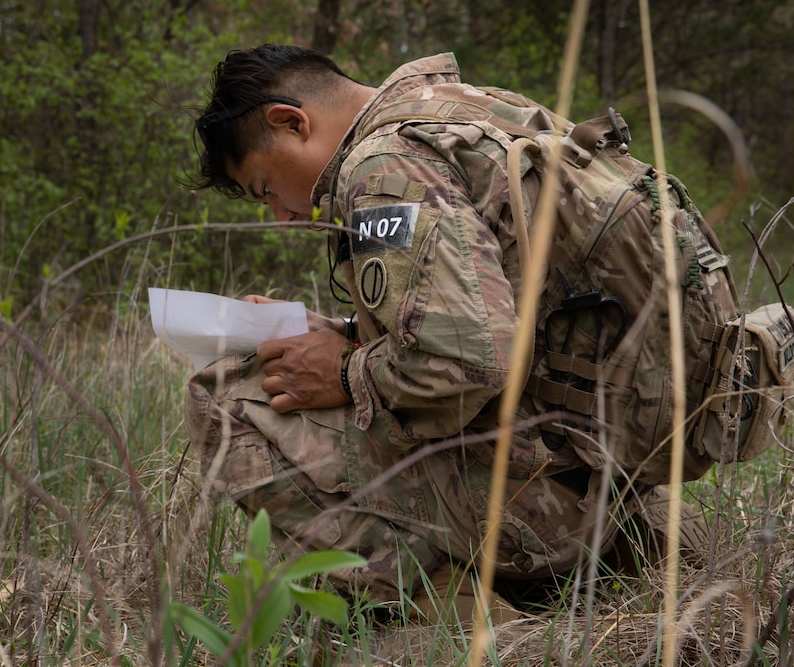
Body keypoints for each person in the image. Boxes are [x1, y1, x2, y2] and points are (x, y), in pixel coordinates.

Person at [183, 44, 627, 610]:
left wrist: (346, 374)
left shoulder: (382, 168)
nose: (282, 215)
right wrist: (345, 332)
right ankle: (637, 552)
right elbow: (507, 313)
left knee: (221, 394)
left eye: (266, 188)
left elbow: (468, 362)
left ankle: (436, 617)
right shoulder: (466, 115)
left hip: (545, 505)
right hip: (615, 476)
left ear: (290, 122)